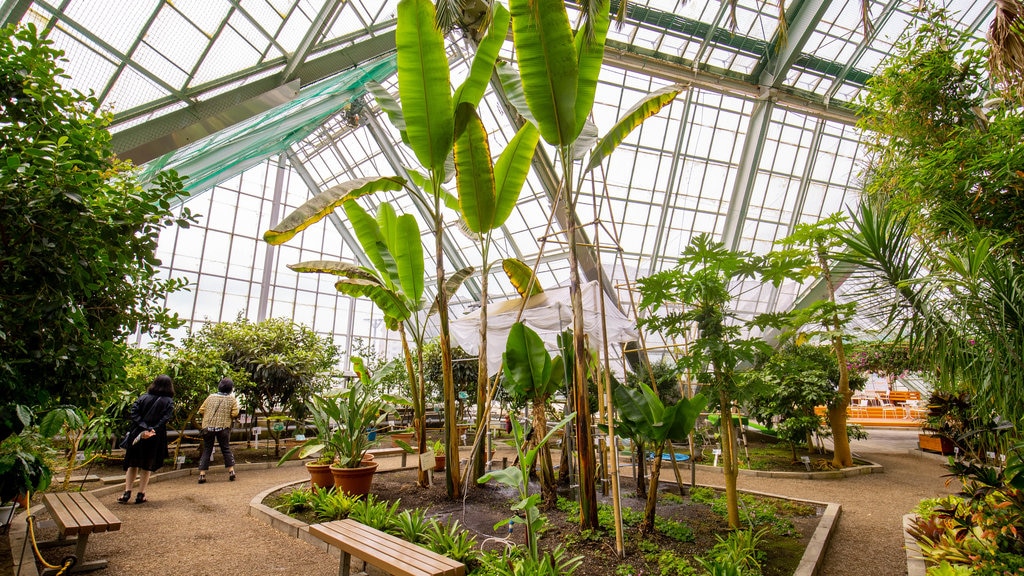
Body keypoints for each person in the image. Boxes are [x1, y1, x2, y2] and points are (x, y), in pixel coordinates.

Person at [119, 374, 175, 504]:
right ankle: (141, 494)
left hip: (137, 434)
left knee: (132, 464)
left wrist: (144, 427)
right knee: (147, 466)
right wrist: (152, 429)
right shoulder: (168, 401)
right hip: (155, 436)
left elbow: (134, 413)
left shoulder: (143, 397)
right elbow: (165, 418)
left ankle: (127, 492)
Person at [196, 377, 241, 484]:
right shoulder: (231, 399)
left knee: (207, 449)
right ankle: (231, 472)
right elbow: (234, 414)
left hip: (208, 427)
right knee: (225, 448)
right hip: (223, 427)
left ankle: (202, 474)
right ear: (231, 388)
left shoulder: (210, 397)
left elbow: (201, 410)